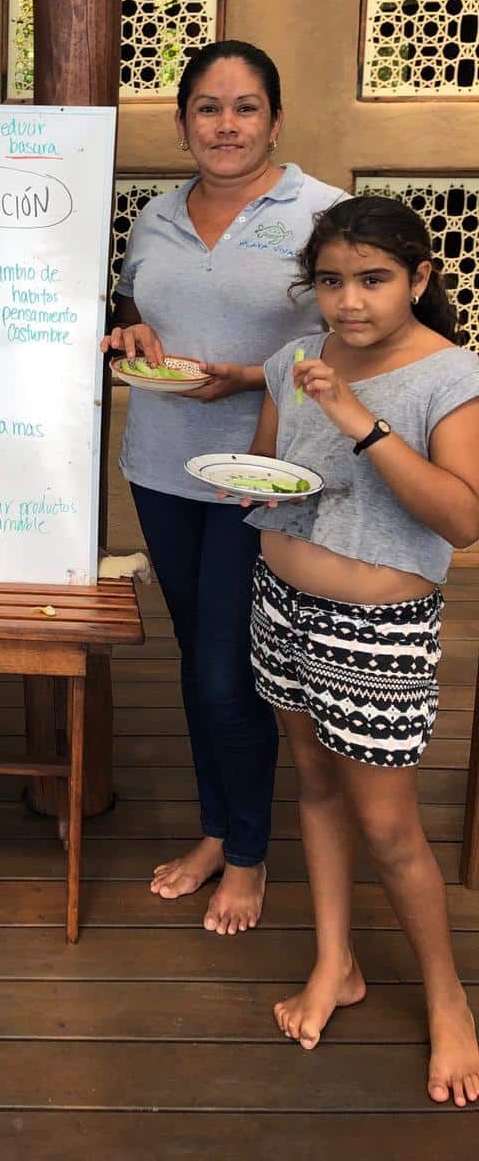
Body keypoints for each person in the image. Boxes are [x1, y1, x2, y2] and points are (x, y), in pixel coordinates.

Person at [102, 40, 346, 934]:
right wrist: (130, 336)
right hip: (163, 469)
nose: (226, 125)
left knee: (224, 674)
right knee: (197, 659)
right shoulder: (156, 217)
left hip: (267, 478)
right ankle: (217, 829)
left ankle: (247, 854)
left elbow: (358, 332)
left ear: (275, 120)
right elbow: (135, 307)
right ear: (182, 123)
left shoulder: (322, 211)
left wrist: (254, 377)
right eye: (208, 107)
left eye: (245, 107)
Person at [245, 195, 479, 1106]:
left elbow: (462, 521)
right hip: (282, 604)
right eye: (333, 281)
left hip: (376, 629)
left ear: (418, 279)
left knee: (390, 826)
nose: (350, 302)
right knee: (311, 784)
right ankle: (336, 961)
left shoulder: (448, 375)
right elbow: (270, 469)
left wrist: (362, 424)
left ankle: (448, 998)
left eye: (374, 280)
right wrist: (255, 490)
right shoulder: (293, 361)